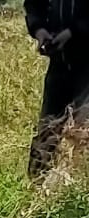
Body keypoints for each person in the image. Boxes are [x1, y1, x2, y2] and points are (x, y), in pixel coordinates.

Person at [26, 0, 89, 177]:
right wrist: (40, 31)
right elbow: (34, 5)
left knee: (82, 129)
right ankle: (35, 192)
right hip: (60, 63)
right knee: (47, 129)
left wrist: (72, 32)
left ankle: (78, 188)